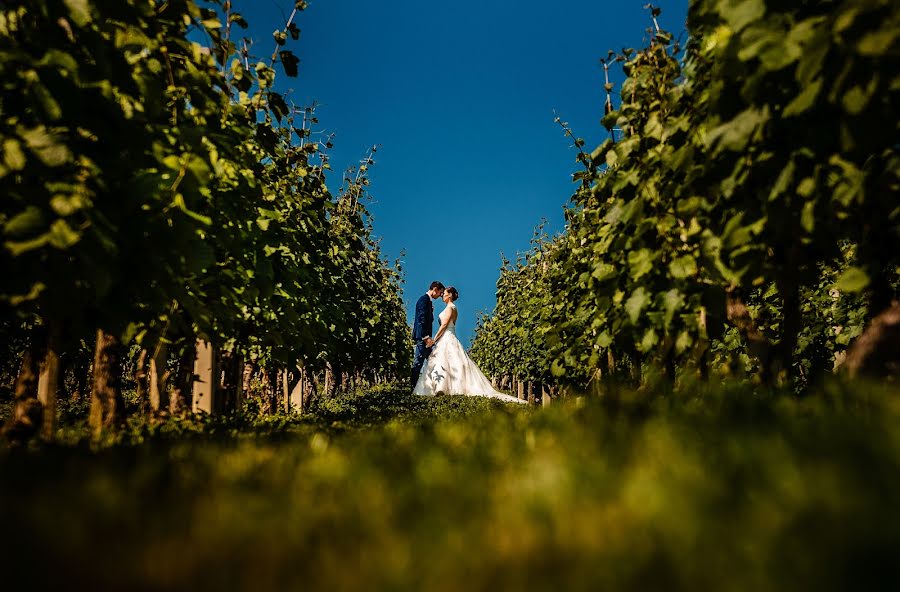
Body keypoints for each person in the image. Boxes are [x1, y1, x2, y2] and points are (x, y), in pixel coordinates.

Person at [413, 286, 525, 404]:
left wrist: (434, 339)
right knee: (444, 361)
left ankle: (443, 388)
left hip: (447, 336)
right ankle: (439, 387)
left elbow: (444, 325)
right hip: (447, 337)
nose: (442, 296)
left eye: (444, 293)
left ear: (450, 295)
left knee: (447, 361)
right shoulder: (450, 308)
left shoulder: (451, 308)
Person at [410, 281, 445, 388]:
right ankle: (412, 388)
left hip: (425, 338)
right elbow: (421, 319)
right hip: (423, 338)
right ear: (435, 289)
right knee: (418, 363)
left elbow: (427, 318)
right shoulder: (424, 300)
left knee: (433, 359)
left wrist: (431, 312)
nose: (440, 295)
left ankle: (434, 386)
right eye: (440, 292)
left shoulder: (428, 302)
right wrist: (425, 338)